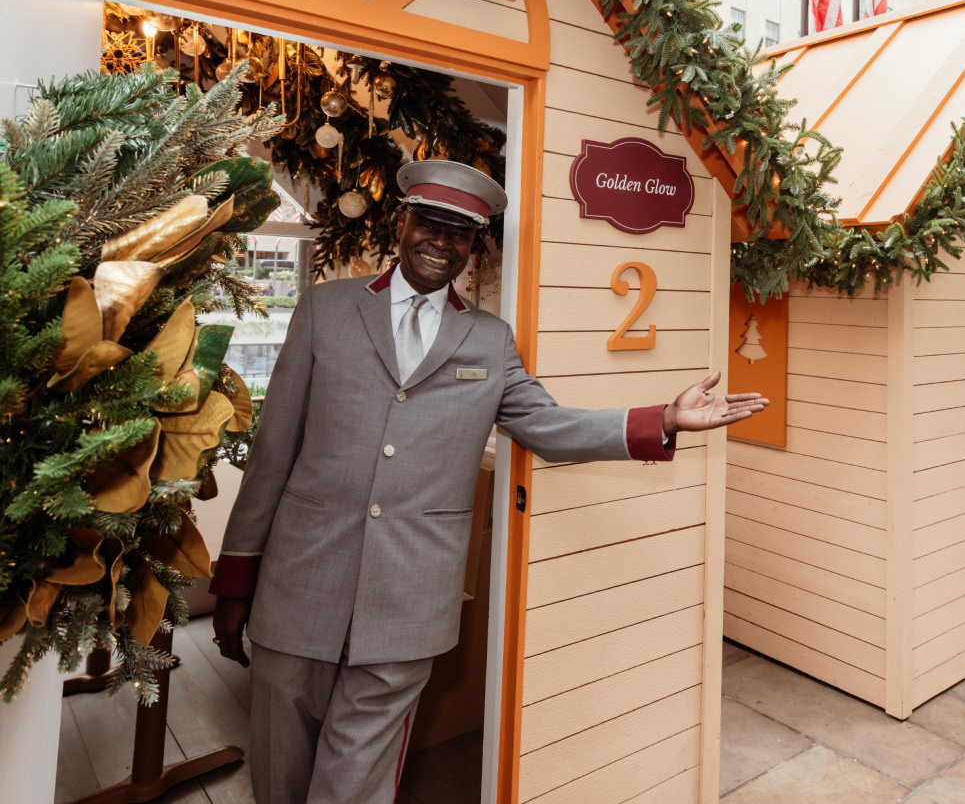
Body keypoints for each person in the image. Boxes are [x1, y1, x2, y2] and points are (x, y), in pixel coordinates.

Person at [209, 160, 768, 804]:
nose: (441, 243)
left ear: (474, 244)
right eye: (431, 223)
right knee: (281, 767)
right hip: (298, 586)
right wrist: (236, 581)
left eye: (460, 233)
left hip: (410, 600)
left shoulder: (488, 340)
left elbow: (546, 424)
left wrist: (663, 419)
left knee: (354, 781)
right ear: (402, 222)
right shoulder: (326, 309)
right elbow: (274, 452)